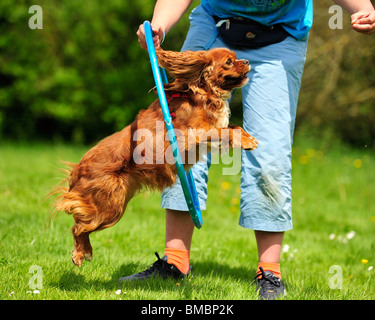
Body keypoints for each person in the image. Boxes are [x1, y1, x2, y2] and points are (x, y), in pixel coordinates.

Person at [119, 0, 375, 299]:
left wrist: (361, 9)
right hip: (214, 28)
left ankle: (270, 273)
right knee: (182, 140)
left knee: (269, 152)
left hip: (280, 36)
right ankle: (175, 261)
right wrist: (159, 23)